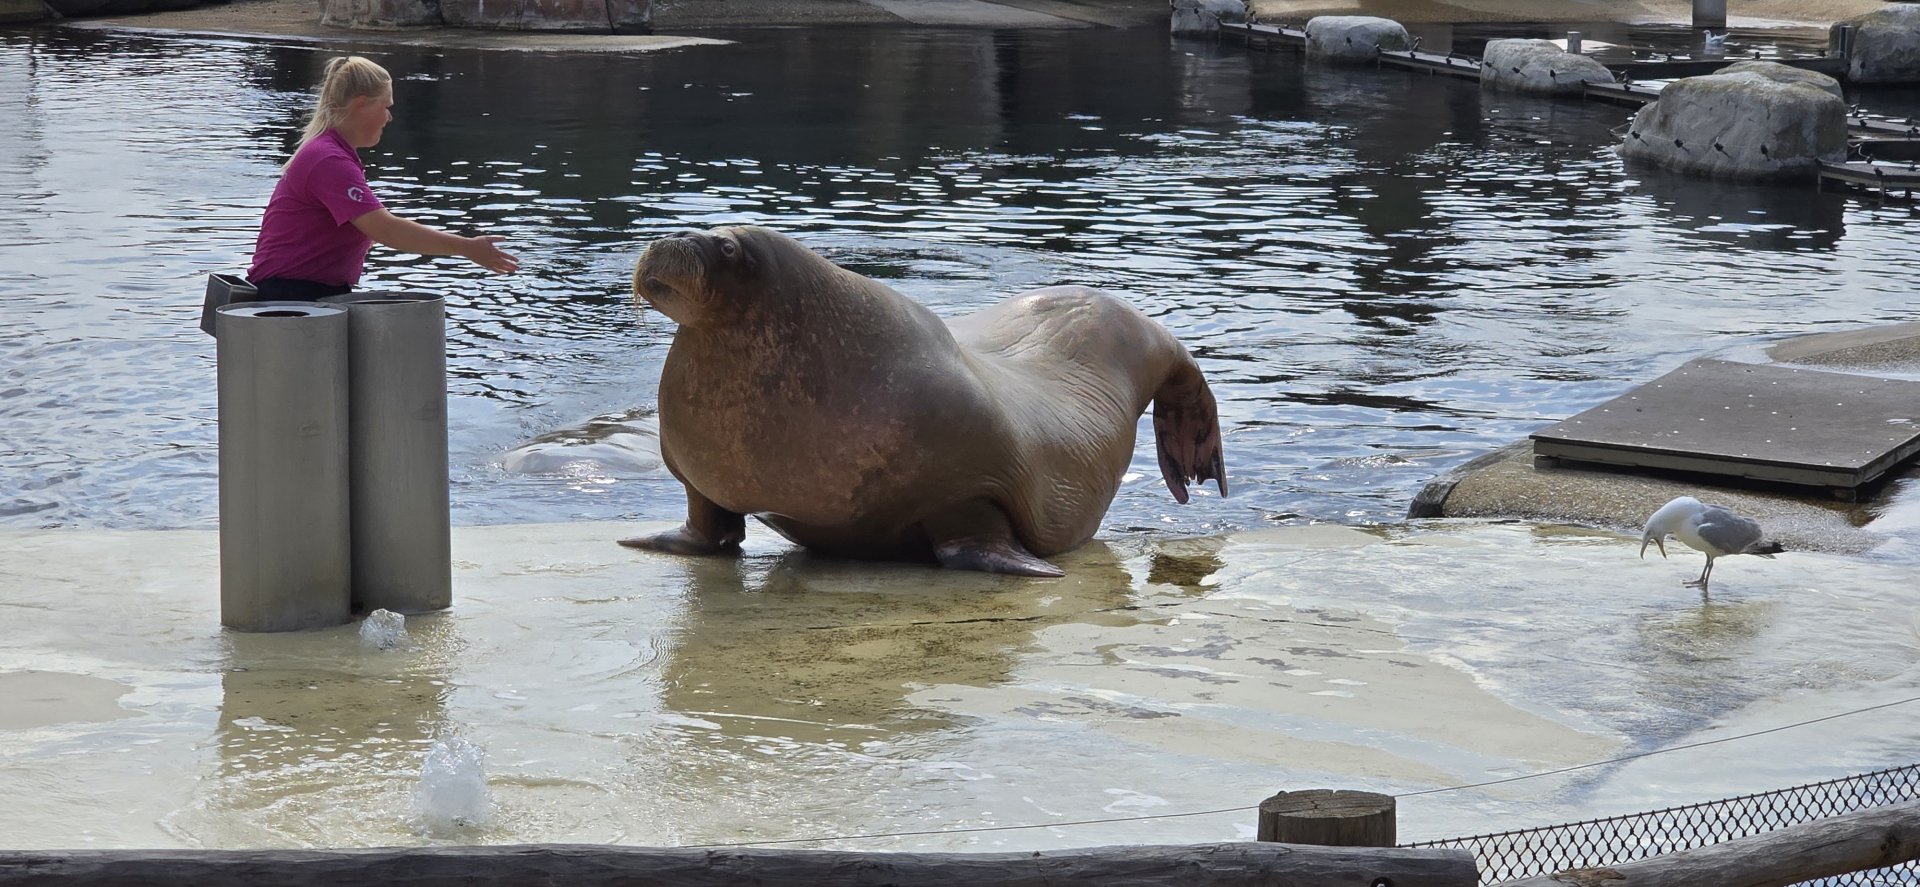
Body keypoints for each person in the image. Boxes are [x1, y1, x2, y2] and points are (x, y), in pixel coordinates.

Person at [247, 56, 518, 301]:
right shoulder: (328, 159)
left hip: (305, 292)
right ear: (361, 104)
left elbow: (374, 229)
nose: (389, 117)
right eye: (386, 106)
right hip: (288, 295)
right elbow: (385, 230)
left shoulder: (332, 152)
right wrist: (466, 247)